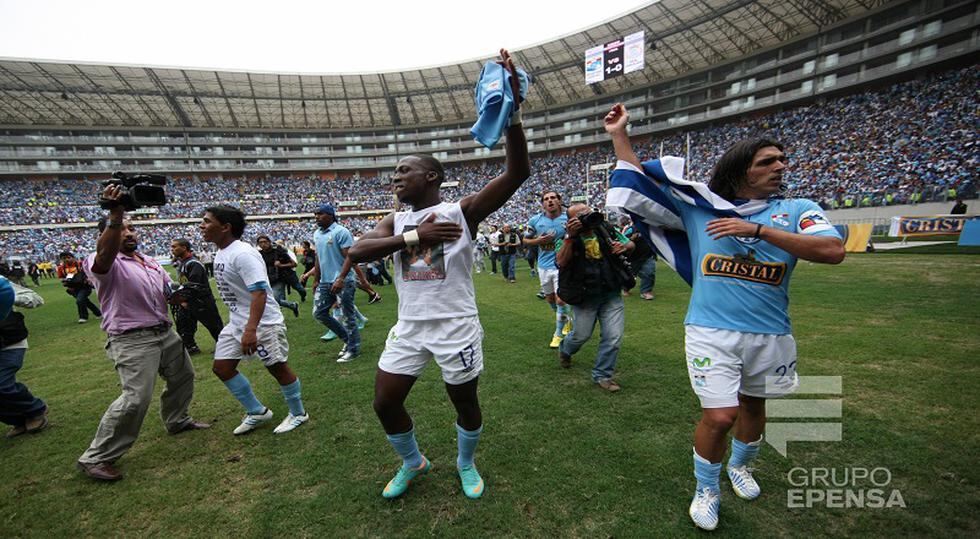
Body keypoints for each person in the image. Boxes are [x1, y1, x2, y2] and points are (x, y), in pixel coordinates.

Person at [603, 103, 845, 531]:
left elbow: (832, 251)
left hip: (771, 332)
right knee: (719, 416)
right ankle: (706, 489)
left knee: (755, 406)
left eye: (781, 160)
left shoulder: (798, 209)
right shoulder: (701, 209)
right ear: (740, 171)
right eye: (767, 161)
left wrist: (756, 231)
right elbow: (639, 184)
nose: (779, 167)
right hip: (710, 330)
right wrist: (620, 134)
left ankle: (741, 467)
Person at [348, 48, 529, 501]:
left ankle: (466, 462)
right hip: (409, 327)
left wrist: (511, 116)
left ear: (431, 175)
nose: (395, 177)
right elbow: (357, 250)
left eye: (404, 170)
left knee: (464, 402)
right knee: (384, 402)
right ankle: (414, 461)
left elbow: (517, 171)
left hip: (455, 324)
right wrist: (413, 239)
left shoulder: (461, 211)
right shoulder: (396, 221)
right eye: (393, 172)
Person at [77, 185, 209, 482]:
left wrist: (179, 295)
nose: (129, 233)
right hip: (132, 339)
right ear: (107, 233)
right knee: (136, 398)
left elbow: (167, 290)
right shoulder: (100, 262)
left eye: (132, 228)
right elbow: (105, 253)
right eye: (122, 229)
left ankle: (177, 420)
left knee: (183, 376)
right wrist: (115, 215)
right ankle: (96, 457)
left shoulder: (148, 261)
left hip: (164, 331)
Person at [201, 205, 309, 435]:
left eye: (207, 221)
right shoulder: (222, 251)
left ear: (225, 227)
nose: (202, 226)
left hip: (263, 323)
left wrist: (251, 330)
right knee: (222, 367)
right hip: (237, 322)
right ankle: (257, 411)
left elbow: (259, 292)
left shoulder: (243, 254)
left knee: (277, 367)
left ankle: (299, 413)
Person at [555, 204, 634, 391]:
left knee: (613, 337)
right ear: (570, 221)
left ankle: (603, 375)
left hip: (611, 292)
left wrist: (623, 247)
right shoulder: (566, 238)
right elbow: (561, 261)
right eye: (581, 216)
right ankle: (566, 350)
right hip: (584, 296)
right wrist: (570, 237)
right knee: (580, 336)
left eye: (588, 212)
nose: (587, 217)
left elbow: (631, 244)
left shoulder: (605, 229)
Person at [303, 204, 361, 362]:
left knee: (348, 316)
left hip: (343, 281)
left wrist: (341, 278)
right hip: (325, 281)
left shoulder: (341, 232)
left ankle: (353, 349)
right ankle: (348, 341)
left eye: (320, 214)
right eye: (315, 214)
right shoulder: (317, 233)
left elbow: (350, 257)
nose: (317, 217)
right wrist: (316, 280)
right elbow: (318, 258)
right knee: (319, 313)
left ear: (331, 215)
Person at [0, 277, 48, 438]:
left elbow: (36, 299)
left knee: (2, 383)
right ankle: (18, 420)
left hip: (9, 343)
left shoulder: (1, 283)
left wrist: (10, 298)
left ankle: (35, 410)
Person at [524, 190, 571, 348]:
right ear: (542, 203)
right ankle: (567, 320)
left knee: (561, 299)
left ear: (559, 200)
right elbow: (525, 240)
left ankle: (558, 334)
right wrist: (539, 240)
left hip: (562, 265)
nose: (550, 201)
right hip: (543, 266)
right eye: (546, 199)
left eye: (553, 198)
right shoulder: (535, 220)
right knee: (550, 300)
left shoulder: (568, 218)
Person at [169, 238, 224, 355]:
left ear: (184, 248)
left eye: (174, 247)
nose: (172, 249)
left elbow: (195, 285)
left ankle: (226, 347)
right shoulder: (183, 263)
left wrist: (185, 299)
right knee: (185, 325)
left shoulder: (194, 264)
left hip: (202, 301)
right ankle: (190, 347)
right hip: (189, 301)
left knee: (214, 326)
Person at [256, 235, 301, 317]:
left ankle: (276, 319)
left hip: (279, 279)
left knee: (275, 299)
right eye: (260, 243)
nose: (263, 244)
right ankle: (292, 305)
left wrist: (281, 265)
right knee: (270, 300)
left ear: (269, 242)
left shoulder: (278, 252)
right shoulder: (259, 255)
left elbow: (294, 264)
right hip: (266, 280)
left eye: (265, 242)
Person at [57, 252, 102, 323]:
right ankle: (98, 313)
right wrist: (65, 282)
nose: (66, 260)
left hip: (84, 286)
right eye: (64, 258)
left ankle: (83, 317)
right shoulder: (61, 268)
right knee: (85, 301)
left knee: (80, 300)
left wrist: (88, 279)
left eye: (68, 258)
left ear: (73, 257)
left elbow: (89, 272)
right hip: (72, 289)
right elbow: (61, 278)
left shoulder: (81, 264)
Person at [622, 217, 657, 300]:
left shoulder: (651, 229)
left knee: (649, 273)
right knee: (630, 274)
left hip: (648, 256)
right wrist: (631, 239)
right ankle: (625, 288)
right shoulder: (631, 229)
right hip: (633, 258)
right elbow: (622, 240)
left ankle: (646, 292)